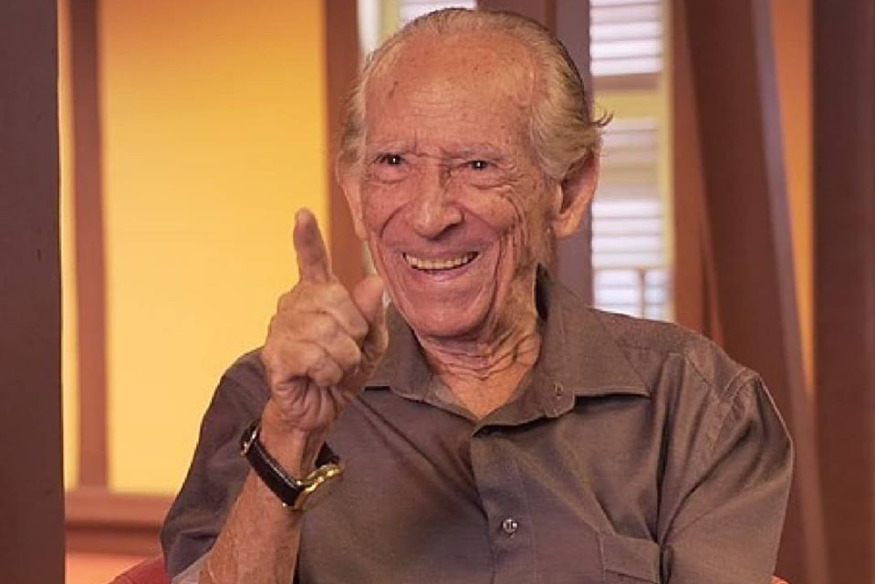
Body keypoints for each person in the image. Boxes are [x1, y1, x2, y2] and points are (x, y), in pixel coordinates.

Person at [161, 8, 792, 584]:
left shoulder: (697, 404)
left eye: (477, 166)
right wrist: (291, 437)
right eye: (393, 163)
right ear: (354, 191)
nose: (429, 215)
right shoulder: (264, 399)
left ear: (569, 192)